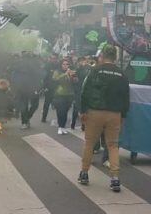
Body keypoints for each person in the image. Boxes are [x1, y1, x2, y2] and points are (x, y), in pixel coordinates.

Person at [77, 45, 130, 192]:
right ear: (116, 57)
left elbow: (85, 91)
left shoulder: (94, 71)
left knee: (89, 142)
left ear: (102, 56)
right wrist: (123, 115)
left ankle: (84, 173)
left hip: (95, 112)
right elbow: (126, 96)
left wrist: (82, 110)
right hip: (114, 113)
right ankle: (115, 178)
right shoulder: (122, 74)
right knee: (112, 145)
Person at [52, 59, 77, 135]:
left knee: (65, 111)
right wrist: (65, 74)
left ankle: (63, 127)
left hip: (69, 95)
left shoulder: (71, 71)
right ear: (61, 65)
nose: (65, 66)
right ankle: (60, 127)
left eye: (67, 64)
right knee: (60, 111)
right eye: (64, 64)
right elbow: (55, 79)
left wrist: (72, 76)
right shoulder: (57, 71)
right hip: (59, 94)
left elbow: (75, 81)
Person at [41, 54, 60, 123]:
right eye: (52, 58)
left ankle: (60, 119)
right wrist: (44, 87)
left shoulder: (59, 66)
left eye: (55, 58)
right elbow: (44, 78)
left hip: (57, 88)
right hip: (49, 87)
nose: (53, 60)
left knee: (59, 104)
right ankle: (43, 117)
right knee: (46, 104)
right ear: (50, 58)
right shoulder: (47, 65)